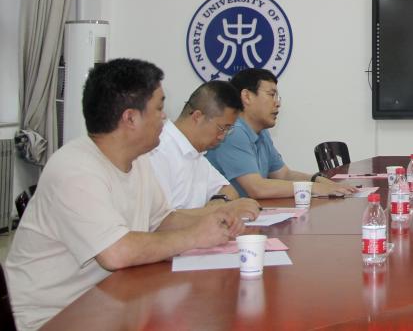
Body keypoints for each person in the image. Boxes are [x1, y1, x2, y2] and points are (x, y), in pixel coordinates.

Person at [4, 59, 239, 331]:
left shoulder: (138, 161)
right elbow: (115, 253)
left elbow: (163, 220)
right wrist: (195, 236)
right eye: (159, 108)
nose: (165, 117)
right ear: (130, 118)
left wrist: (217, 220)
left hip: (111, 301)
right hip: (55, 317)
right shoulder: (75, 168)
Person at [206, 68, 357, 199]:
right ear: (247, 97)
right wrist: (315, 188)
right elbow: (257, 188)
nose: (277, 103)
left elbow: (284, 175)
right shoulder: (233, 133)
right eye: (271, 95)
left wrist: (318, 180)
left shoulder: (261, 132)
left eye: (277, 97)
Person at [147, 80, 260, 219]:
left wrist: (218, 202)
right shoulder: (157, 150)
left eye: (228, 130)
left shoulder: (196, 152)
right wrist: (221, 210)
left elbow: (228, 189)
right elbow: (161, 220)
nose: (222, 137)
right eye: (222, 128)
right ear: (197, 117)